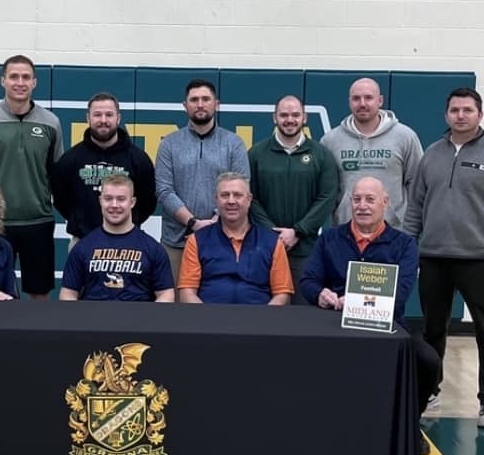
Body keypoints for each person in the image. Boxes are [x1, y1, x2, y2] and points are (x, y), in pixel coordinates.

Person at [404, 88, 484, 429]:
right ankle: (431, 389)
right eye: (455, 110)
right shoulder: (431, 154)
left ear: (479, 115)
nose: (461, 115)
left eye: (467, 110)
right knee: (432, 330)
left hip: (480, 260)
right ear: (446, 115)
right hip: (433, 259)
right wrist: (409, 250)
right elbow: (415, 209)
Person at [300, 177, 440, 455]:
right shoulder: (329, 238)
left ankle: (411, 423)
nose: (362, 206)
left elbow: (399, 296)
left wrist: (352, 300)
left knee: (428, 361)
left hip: (386, 328)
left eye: (370, 199)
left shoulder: (404, 245)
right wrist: (320, 295)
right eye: (357, 199)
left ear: (385, 203)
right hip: (334, 325)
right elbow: (308, 281)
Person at [0, 54, 64, 300]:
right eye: (14, 76)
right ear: (3, 81)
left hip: (37, 222)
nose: (20, 82)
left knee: (39, 293)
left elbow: (57, 175)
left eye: (26, 77)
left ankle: (39, 338)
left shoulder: (51, 123)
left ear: (34, 83)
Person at [155, 79, 250, 287]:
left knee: (217, 303)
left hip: (224, 240)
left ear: (216, 104)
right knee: (176, 309)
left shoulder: (233, 143)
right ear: (185, 105)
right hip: (177, 242)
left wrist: (215, 221)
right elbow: (163, 190)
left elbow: (241, 186)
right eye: (194, 99)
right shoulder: (168, 144)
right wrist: (193, 223)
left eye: (206, 99)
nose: (200, 104)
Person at [248, 95, 338, 304]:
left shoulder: (321, 155)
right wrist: (272, 233)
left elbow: (327, 197)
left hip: (305, 250)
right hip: (264, 248)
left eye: (296, 115)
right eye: (284, 115)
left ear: (304, 117)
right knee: (264, 312)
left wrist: (298, 231)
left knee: (302, 313)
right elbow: (249, 198)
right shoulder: (256, 154)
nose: (290, 120)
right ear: (274, 118)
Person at [52, 92, 156, 248]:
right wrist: (80, 221)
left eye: (109, 115)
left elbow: (148, 201)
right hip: (83, 242)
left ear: (118, 118)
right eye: (97, 115)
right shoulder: (71, 159)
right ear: (88, 118)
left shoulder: (138, 159)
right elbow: (61, 199)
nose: (103, 120)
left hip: (128, 244)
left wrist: (125, 224)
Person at [320, 77, 423, 228]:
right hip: (345, 233)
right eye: (356, 98)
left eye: (368, 98)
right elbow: (325, 191)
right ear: (349, 101)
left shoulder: (405, 137)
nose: (362, 103)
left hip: (393, 232)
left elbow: (417, 185)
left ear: (380, 101)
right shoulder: (331, 140)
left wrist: (410, 228)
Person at [178, 173, 293, 305]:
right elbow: (187, 293)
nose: (231, 201)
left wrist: (262, 322)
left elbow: (282, 294)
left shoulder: (272, 242)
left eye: (238, 195)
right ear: (216, 200)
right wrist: (207, 320)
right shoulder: (197, 241)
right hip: (209, 320)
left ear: (249, 200)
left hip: (259, 321)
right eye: (224, 195)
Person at [60, 175, 174, 302]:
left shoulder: (153, 249)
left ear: (132, 202)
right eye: (108, 198)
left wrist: (149, 320)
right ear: (100, 201)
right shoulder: (83, 248)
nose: (114, 205)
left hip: (139, 319)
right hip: (93, 319)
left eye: (121, 199)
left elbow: (166, 294)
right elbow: (68, 294)